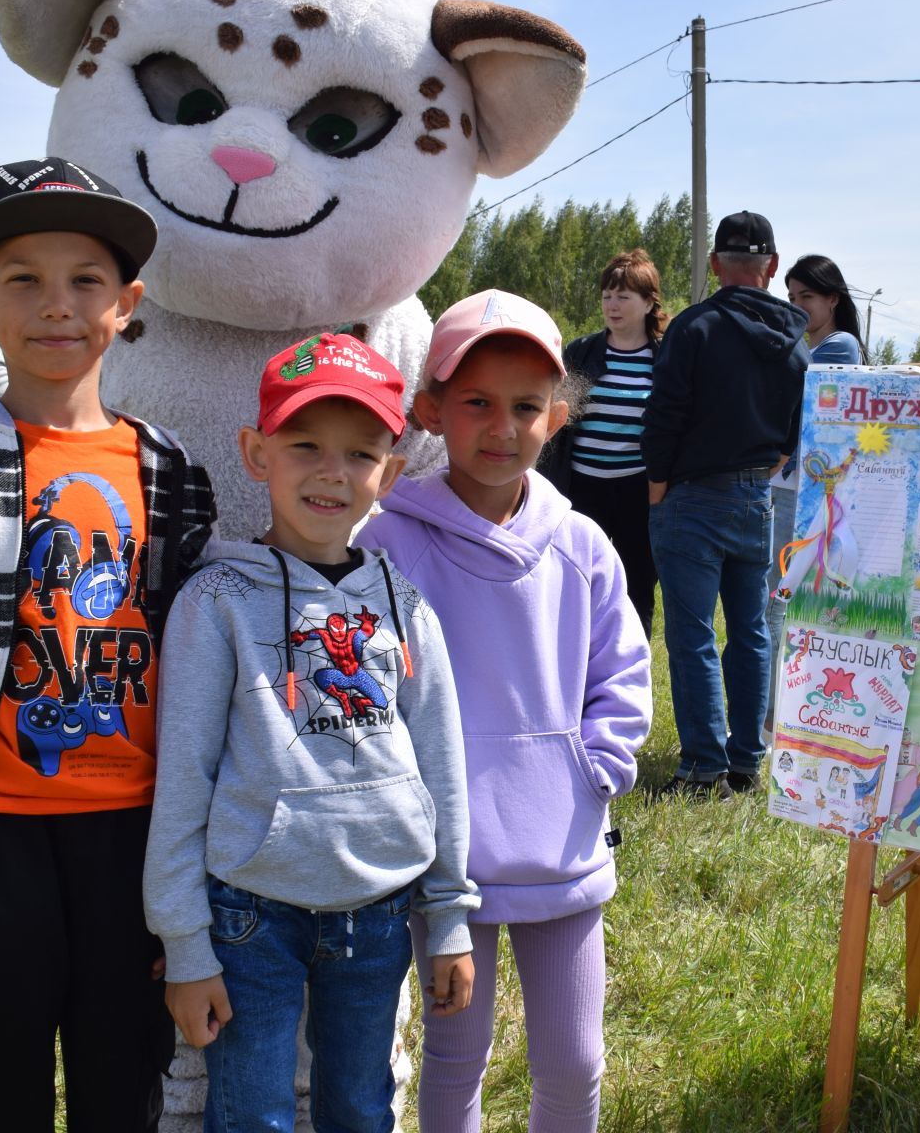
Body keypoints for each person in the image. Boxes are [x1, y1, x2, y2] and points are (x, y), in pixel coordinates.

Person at [0, 156, 218, 1132]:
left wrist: (195, 878)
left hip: (135, 840)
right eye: (23, 278)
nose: (56, 305)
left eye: (85, 279)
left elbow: (207, 687)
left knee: (125, 1085)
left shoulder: (173, 473)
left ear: (127, 301)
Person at [143, 332, 477, 1132]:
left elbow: (440, 758)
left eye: (360, 454)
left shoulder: (406, 603)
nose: (333, 472)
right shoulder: (215, 600)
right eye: (304, 446)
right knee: (250, 1114)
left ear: (390, 475)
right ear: (257, 453)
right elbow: (182, 778)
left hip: (379, 911)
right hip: (247, 917)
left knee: (362, 1111)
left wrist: (452, 914)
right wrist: (186, 947)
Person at [358, 288, 652, 1133]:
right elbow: (366, 686)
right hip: (446, 860)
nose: (501, 426)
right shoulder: (389, 543)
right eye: (476, 403)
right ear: (428, 412)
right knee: (456, 1055)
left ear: (556, 419)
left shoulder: (582, 543)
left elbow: (624, 668)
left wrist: (597, 764)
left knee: (576, 1059)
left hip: (560, 843)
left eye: (525, 406)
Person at [644, 210, 810, 797]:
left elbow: (664, 414)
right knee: (751, 631)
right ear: (771, 265)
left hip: (691, 495)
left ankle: (702, 766)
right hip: (756, 496)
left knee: (691, 633)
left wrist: (657, 486)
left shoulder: (694, 328)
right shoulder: (797, 341)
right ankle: (746, 761)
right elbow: (800, 422)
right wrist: (771, 464)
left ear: (715, 265)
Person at [765, 254, 865, 731]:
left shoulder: (837, 347)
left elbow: (787, 400)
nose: (798, 307)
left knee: (774, 602)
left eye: (807, 296)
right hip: (798, 490)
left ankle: (766, 718)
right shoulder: (822, 345)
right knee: (778, 600)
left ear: (833, 299)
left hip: (800, 493)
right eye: (791, 298)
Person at [545, 249, 668, 635]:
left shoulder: (665, 357)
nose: (611, 306)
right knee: (574, 585)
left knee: (636, 591)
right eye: (606, 296)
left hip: (639, 493)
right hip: (581, 490)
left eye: (623, 297)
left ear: (649, 303)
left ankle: (631, 675)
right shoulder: (582, 352)